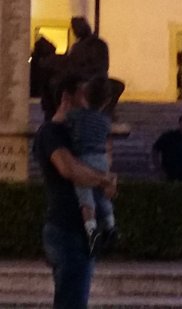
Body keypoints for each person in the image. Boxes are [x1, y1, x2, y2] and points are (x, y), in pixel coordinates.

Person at [36, 72, 119, 309]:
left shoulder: (79, 130)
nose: (88, 100)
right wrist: (104, 180)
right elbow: (69, 169)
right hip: (66, 231)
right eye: (83, 94)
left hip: (80, 234)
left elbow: (99, 164)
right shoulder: (51, 132)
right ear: (67, 97)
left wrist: (106, 180)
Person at [71, 76, 119, 248]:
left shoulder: (77, 116)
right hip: (101, 159)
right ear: (106, 101)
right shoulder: (105, 121)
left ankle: (91, 232)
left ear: (84, 95)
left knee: (86, 198)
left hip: (84, 158)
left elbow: (70, 128)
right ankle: (110, 225)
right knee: (103, 196)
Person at [152, 114, 182, 186]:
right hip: (172, 179)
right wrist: (159, 169)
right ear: (181, 124)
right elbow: (155, 150)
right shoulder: (169, 137)